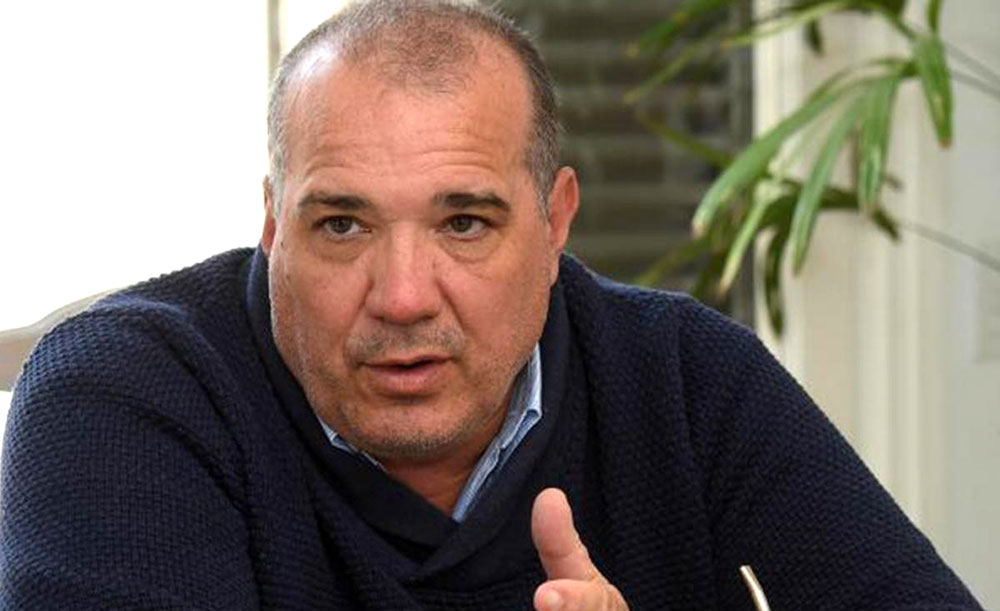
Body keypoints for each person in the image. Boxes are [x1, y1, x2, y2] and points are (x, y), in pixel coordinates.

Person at [0, 1, 982, 609]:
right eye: (341, 224)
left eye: (464, 222)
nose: (401, 296)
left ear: (555, 223)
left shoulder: (686, 380)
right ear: (271, 221)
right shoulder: (121, 394)